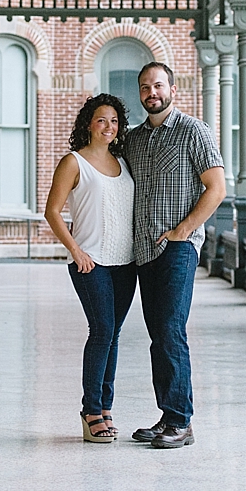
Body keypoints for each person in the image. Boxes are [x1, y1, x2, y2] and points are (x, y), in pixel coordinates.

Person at [121, 61, 225, 449]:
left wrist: (184, 230)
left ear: (173, 89)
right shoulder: (133, 140)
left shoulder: (193, 131)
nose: (152, 92)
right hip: (144, 250)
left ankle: (182, 422)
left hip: (177, 249)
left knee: (170, 331)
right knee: (158, 335)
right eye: (145, 87)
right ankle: (168, 415)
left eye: (159, 85)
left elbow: (216, 188)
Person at [44, 94, 137, 443]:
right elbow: (52, 211)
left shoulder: (123, 163)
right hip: (91, 262)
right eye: (101, 120)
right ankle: (90, 410)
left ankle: (106, 407)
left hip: (125, 263)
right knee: (101, 331)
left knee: (112, 334)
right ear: (88, 123)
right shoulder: (74, 162)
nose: (108, 127)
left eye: (114, 121)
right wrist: (75, 250)